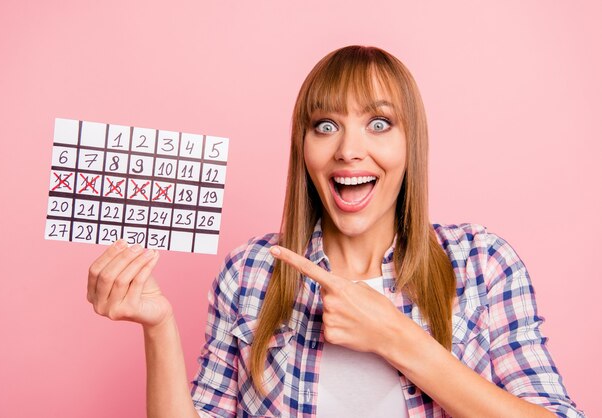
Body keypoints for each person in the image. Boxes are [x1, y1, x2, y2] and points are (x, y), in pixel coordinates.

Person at [87, 46, 585, 417]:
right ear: (303, 149)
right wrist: (158, 327)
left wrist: (399, 339)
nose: (348, 149)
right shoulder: (251, 272)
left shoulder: (481, 263)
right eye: (325, 126)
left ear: (412, 145)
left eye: (379, 124)